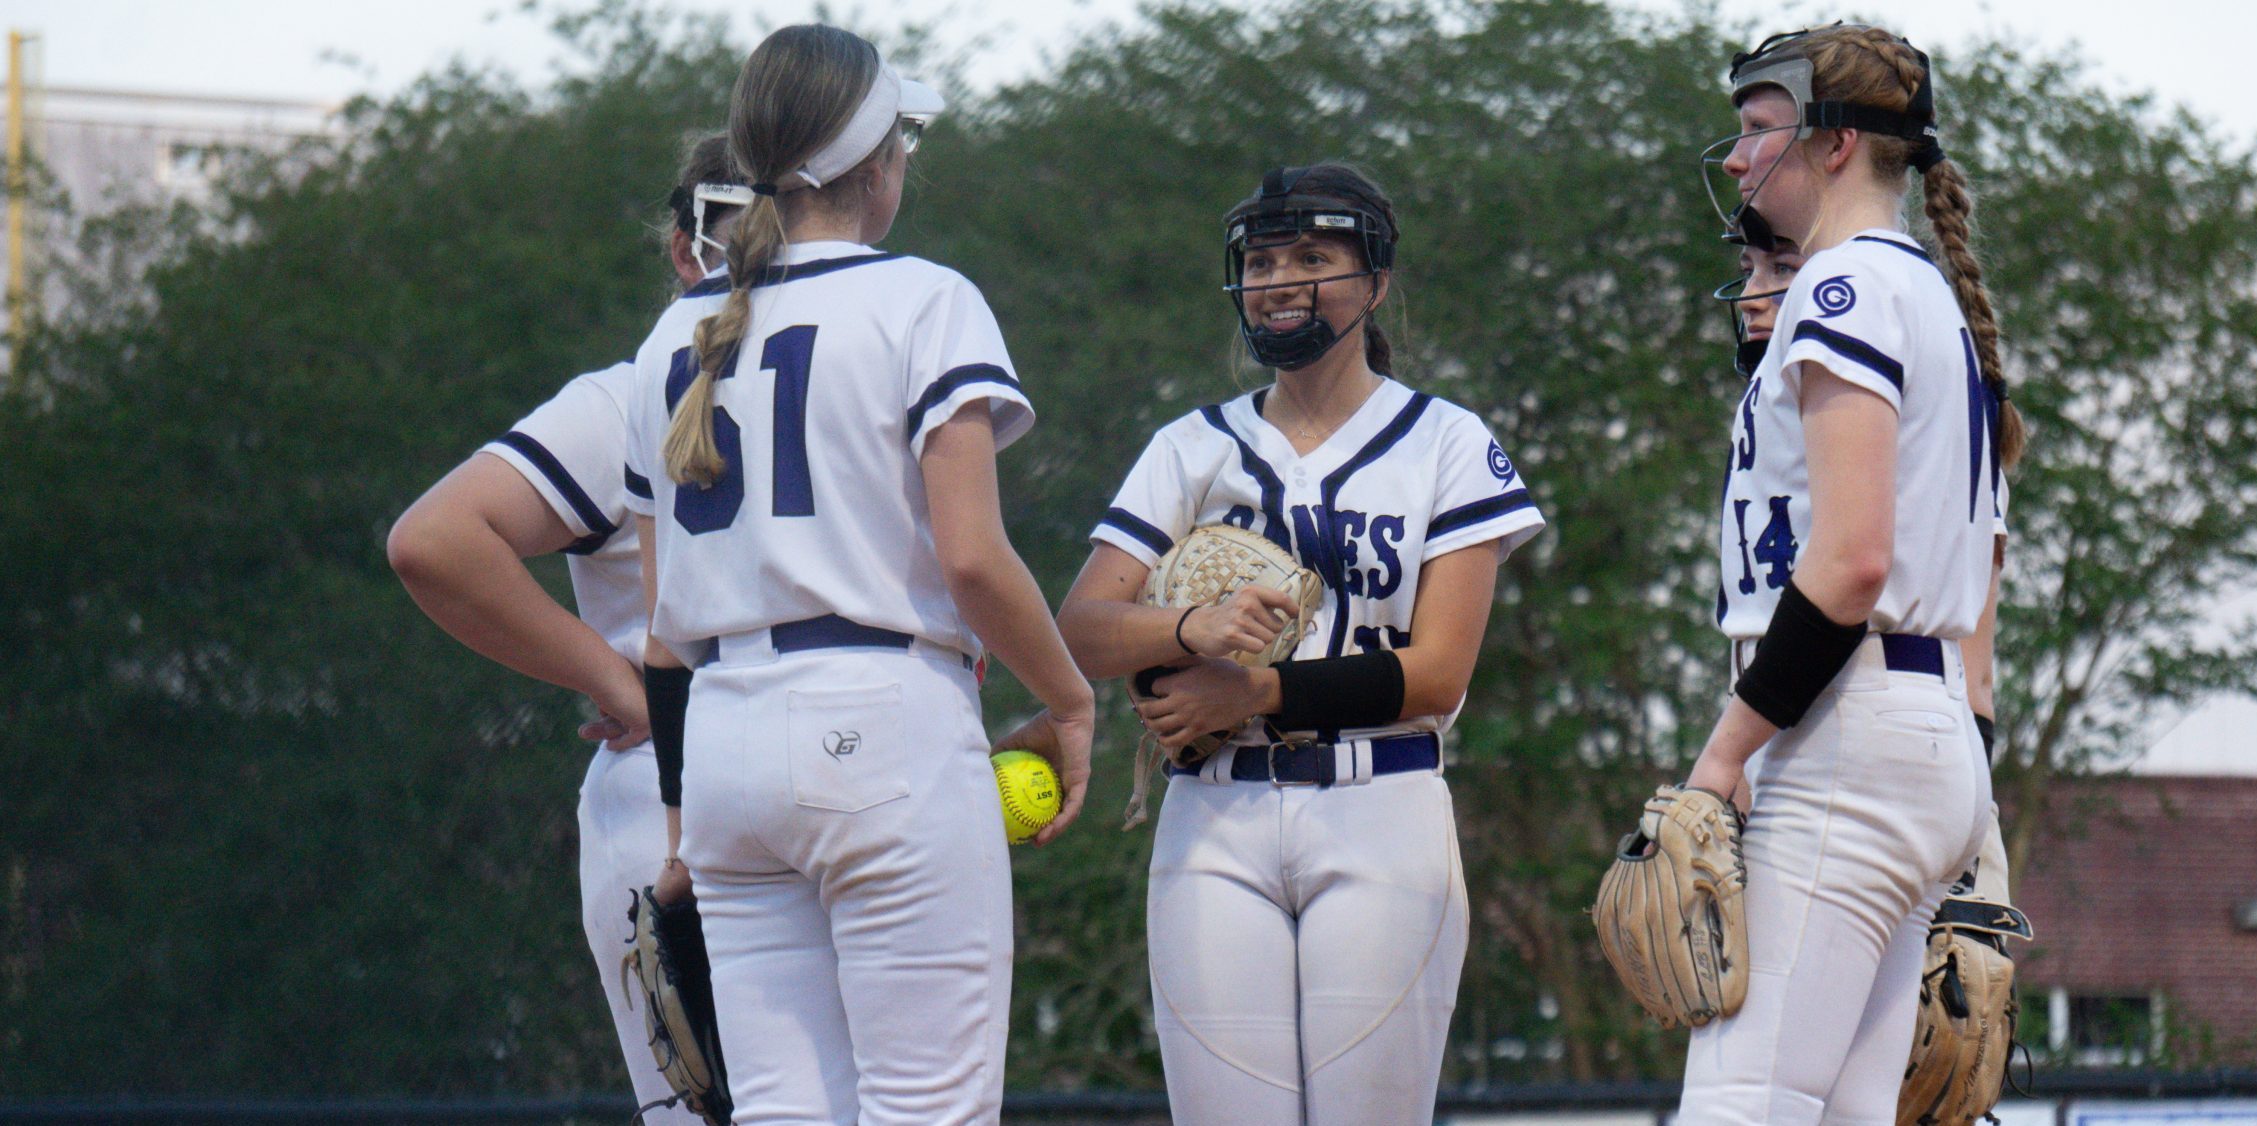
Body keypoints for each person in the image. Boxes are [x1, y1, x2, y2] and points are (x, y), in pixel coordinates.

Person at [621, 24, 1094, 1124]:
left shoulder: (669, 337)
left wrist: (684, 820)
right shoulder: (924, 298)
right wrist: (1068, 697)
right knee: (925, 1107)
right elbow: (973, 559)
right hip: (882, 722)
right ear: (876, 166)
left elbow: (660, 630)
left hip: (728, 741)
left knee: (787, 1111)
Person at [1057, 163, 1545, 1125]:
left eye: (1314, 258)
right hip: (1215, 815)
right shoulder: (1189, 447)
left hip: (1382, 804)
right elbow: (1082, 629)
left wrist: (1256, 695)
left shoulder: (1446, 442)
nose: (1280, 281)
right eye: (1263, 260)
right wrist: (1189, 627)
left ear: (1375, 283)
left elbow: (1439, 673)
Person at [1676, 22, 2018, 1124]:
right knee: (1841, 1113)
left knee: (1738, 1103)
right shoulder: (1918, 293)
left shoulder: (1841, 290)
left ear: (1834, 146)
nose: (1736, 158)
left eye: (1759, 129)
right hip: (1914, 737)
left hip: (1844, 733)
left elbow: (1853, 559)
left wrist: (1719, 760)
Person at [385, 132, 745, 1125]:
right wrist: (618, 679)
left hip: (796, 769)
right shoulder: (628, 394)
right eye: (730, 221)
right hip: (678, 779)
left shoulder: (850, 380)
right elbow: (437, 539)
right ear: (684, 248)